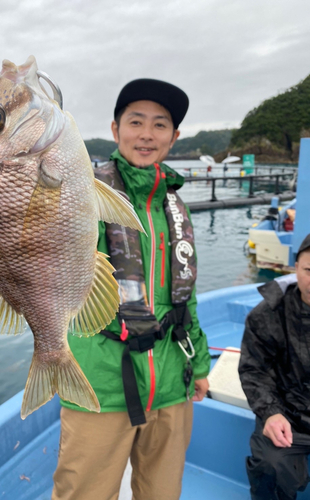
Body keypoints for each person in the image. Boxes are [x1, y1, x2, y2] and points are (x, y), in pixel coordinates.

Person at [52, 78, 211, 500]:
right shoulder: (84, 193)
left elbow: (186, 296)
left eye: (160, 125)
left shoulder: (175, 205)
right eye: (135, 121)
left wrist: (199, 365)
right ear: (115, 128)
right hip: (101, 382)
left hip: (172, 379)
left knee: (163, 491)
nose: (146, 134)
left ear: (174, 137)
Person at [239, 234, 310, 500]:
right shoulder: (266, 314)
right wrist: (271, 413)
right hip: (286, 414)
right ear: (295, 267)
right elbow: (254, 370)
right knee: (269, 465)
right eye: (308, 270)